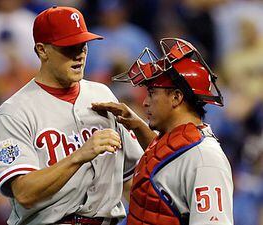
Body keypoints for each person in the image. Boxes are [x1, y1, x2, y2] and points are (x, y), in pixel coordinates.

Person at [0, 6, 143, 225]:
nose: (79, 54)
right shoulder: (14, 112)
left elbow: (131, 179)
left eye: (83, 45)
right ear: (42, 50)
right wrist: (79, 155)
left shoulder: (102, 94)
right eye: (68, 47)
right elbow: (24, 194)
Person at [92, 38, 234, 225]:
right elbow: (168, 160)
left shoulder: (205, 159)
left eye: (152, 93)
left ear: (176, 97)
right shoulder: (173, 143)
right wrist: (138, 126)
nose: (145, 102)